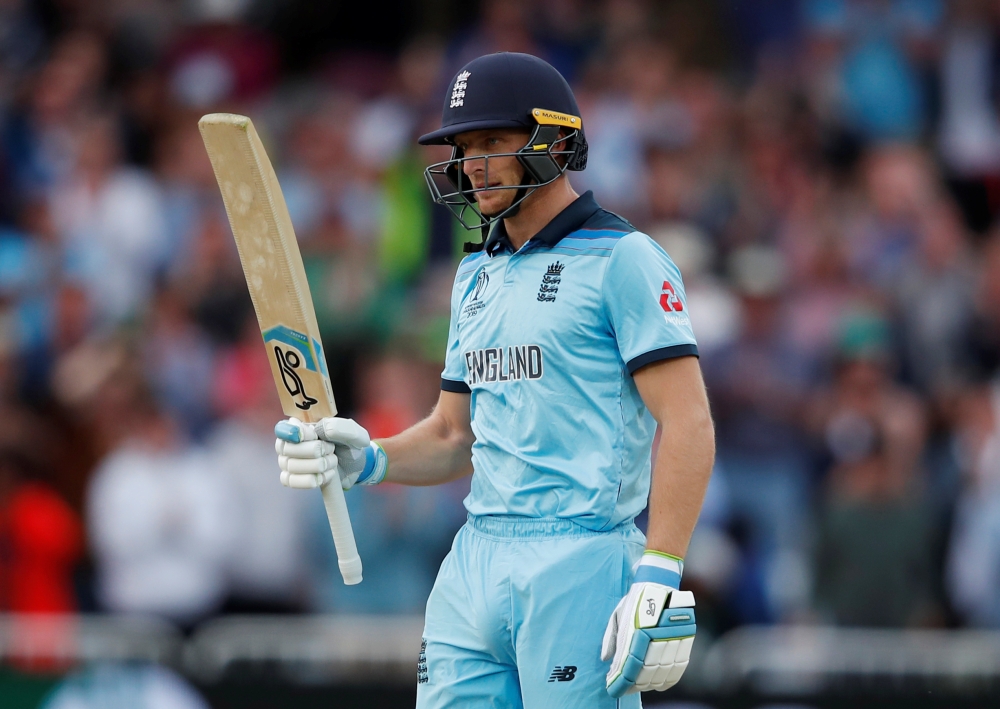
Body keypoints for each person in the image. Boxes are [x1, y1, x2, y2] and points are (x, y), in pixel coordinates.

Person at [274, 52, 715, 707]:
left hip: (582, 560)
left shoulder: (624, 259)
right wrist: (368, 459)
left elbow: (688, 419)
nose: (469, 163)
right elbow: (456, 434)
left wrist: (660, 566)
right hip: (475, 557)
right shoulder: (474, 274)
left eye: (490, 142)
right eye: (461, 146)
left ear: (552, 141)